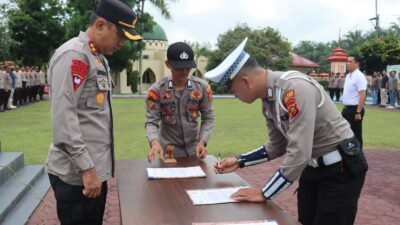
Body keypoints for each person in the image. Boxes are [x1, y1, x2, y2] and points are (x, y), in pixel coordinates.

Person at [206, 38, 367, 225]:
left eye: (234, 91)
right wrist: (240, 161)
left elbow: (299, 152)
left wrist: (265, 192)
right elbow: (277, 145)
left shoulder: (294, 89)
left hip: (340, 170)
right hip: (313, 169)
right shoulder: (268, 101)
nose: (236, 97)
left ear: (245, 81)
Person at [45, 0, 141, 224]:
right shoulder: (74, 56)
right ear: (100, 25)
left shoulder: (97, 57)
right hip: (78, 175)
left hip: (93, 172)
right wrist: (87, 169)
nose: (122, 43)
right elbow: (64, 119)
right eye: (121, 36)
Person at [145, 42, 214, 163]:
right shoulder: (157, 90)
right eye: (179, 67)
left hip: (195, 152)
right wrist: (155, 143)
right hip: (169, 154)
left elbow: (208, 118)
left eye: (188, 67)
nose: (185, 71)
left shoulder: (202, 87)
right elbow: (151, 122)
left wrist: (202, 142)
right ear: (168, 64)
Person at [342, 56, 367, 150]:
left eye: (350, 61)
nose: (347, 63)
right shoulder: (348, 76)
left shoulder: (359, 76)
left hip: (355, 109)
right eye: (347, 61)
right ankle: (349, 152)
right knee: (344, 132)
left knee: (356, 134)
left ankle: (359, 156)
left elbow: (362, 94)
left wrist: (358, 112)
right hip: (346, 109)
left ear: (357, 64)